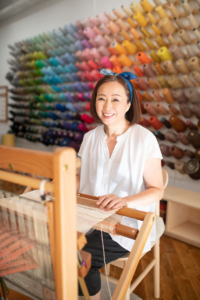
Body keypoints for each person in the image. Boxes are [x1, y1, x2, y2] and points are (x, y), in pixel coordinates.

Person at [77, 69, 164, 300]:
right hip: (92, 216)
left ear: (128, 104)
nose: (107, 106)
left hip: (128, 224)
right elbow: (83, 176)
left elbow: (157, 190)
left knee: (80, 257)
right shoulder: (90, 138)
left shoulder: (144, 139)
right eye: (101, 98)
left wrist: (124, 200)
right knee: (53, 239)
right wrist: (57, 182)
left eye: (115, 99)